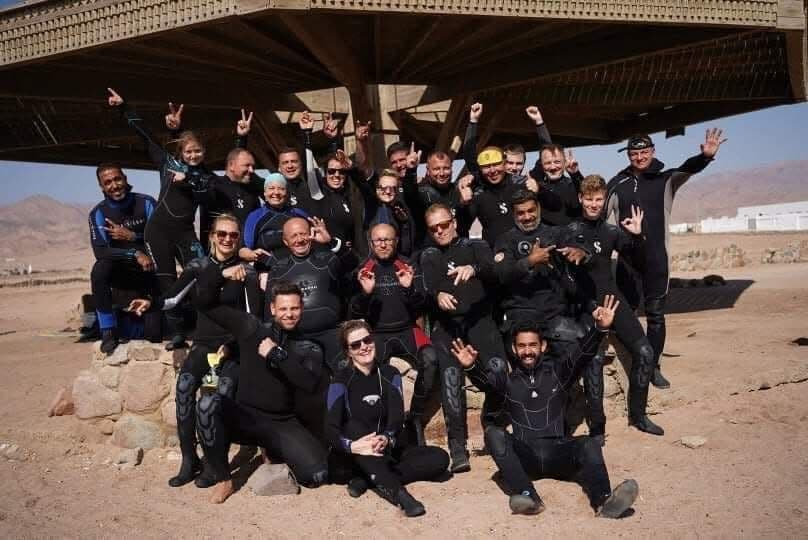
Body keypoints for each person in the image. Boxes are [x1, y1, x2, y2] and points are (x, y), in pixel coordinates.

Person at [452, 297, 639, 518]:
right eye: (521, 346)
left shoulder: (559, 374)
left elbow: (582, 355)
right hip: (526, 457)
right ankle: (529, 497)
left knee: (588, 443)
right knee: (493, 434)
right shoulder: (508, 381)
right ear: (514, 348)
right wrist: (471, 367)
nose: (527, 351)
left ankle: (604, 501)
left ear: (543, 346)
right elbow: (486, 384)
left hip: (560, 453)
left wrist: (599, 329)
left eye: (532, 345)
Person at [128, 214, 263, 487]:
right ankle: (189, 460)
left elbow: (254, 319)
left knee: (218, 397)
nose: (227, 239)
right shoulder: (198, 266)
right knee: (184, 388)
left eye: (233, 235)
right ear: (212, 236)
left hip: (231, 348)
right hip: (203, 344)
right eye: (222, 234)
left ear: (239, 240)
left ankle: (216, 465)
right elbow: (173, 297)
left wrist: (235, 345)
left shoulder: (245, 272)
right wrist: (150, 303)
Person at [606, 129, 726, 389]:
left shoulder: (666, 180)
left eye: (644, 152)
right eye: (634, 153)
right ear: (628, 155)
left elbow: (687, 169)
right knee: (624, 313)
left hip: (656, 260)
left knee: (656, 316)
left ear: (653, 152)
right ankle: (633, 357)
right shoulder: (617, 183)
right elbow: (601, 216)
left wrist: (705, 157)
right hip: (627, 261)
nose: (639, 157)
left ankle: (653, 366)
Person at [193, 277, 329, 504]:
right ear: (273, 309)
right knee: (207, 404)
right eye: (283, 308)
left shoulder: (309, 347)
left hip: (281, 423)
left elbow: (308, 383)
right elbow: (205, 304)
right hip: (246, 418)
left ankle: (272, 450)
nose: (289, 314)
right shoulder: (252, 329)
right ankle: (223, 479)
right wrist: (221, 275)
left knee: (317, 476)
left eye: (295, 308)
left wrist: (277, 355)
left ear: (302, 308)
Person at [107, 88, 210, 350]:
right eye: (188, 152)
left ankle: (204, 328)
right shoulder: (167, 165)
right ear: (181, 152)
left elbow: (205, 188)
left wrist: (189, 178)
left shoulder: (204, 176)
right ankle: (176, 333)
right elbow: (146, 137)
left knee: (202, 275)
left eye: (197, 151)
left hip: (185, 232)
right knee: (166, 281)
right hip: (159, 233)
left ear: (204, 152)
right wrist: (124, 106)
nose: (193, 156)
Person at [568, 175, 663, 437]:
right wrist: (589, 307)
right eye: (589, 199)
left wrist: (638, 237)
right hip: (585, 303)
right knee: (594, 360)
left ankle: (638, 416)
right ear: (580, 199)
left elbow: (638, 260)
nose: (594, 204)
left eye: (599, 199)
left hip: (612, 297)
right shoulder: (571, 230)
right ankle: (597, 427)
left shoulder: (611, 231)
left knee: (645, 352)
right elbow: (577, 262)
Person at [326, 319, 449, 517]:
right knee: (353, 426)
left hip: (385, 451)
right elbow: (331, 428)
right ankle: (400, 495)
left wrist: (386, 438)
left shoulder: (390, 374)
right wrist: (352, 446)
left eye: (367, 340)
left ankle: (369, 479)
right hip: (350, 456)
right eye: (356, 345)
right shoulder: (340, 380)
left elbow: (396, 417)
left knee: (440, 459)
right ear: (348, 351)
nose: (364, 347)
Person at [419, 203, 508, 473]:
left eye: (444, 224)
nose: (440, 231)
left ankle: (492, 423)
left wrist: (475, 269)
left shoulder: (475, 247)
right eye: (433, 228)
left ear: (454, 222)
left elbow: (494, 270)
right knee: (450, 378)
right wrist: (436, 296)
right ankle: (457, 445)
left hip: (480, 322)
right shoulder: (429, 255)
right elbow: (421, 288)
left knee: (499, 371)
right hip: (448, 327)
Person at [349, 223, 439, 445]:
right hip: (377, 333)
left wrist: (409, 288)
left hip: (408, 329)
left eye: (388, 239)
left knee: (431, 360)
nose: (383, 244)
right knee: (365, 373)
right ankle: (384, 425)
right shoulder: (364, 269)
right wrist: (366, 293)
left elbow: (423, 306)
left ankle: (415, 417)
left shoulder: (407, 265)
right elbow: (354, 311)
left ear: (396, 241)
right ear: (371, 243)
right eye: (378, 240)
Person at [461, 103, 560, 247]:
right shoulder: (483, 182)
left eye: (518, 164)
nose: (492, 170)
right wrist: (473, 122)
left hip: (526, 251)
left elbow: (545, 155)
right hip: (496, 254)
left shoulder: (524, 182)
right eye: (510, 163)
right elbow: (470, 157)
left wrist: (539, 123)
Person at [494, 189, 589, 339]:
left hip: (554, 313)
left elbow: (583, 248)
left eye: (531, 210)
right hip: (520, 314)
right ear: (513, 214)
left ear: (538, 208)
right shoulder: (505, 240)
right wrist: (530, 261)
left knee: (583, 350)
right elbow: (502, 274)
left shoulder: (556, 233)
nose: (527, 217)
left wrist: (582, 253)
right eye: (521, 213)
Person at [88, 162, 157, 354]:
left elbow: (161, 238)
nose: (114, 185)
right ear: (102, 187)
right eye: (107, 182)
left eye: (117, 179)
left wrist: (133, 237)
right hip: (120, 272)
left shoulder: (146, 203)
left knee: (153, 334)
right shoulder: (98, 213)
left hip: (148, 271)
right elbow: (100, 251)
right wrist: (134, 253)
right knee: (99, 269)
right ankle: (107, 330)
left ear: (125, 179)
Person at [199, 110, 265, 245]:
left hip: (248, 256)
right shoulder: (215, 185)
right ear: (231, 166)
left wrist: (243, 138)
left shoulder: (252, 188)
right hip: (219, 257)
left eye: (253, 166)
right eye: (247, 166)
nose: (252, 170)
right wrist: (176, 131)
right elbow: (193, 164)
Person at [239, 173, 310, 262]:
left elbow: (315, 239)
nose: (276, 192)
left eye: (281, 189)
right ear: (264, 193)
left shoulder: (299, 214)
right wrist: (253, 255)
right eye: (271, 188)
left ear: (287, 193)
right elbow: (243, 249)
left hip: (300, 267)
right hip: (268, 270)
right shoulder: (255, 216)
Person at [528, 144, 584, 226]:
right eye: (547, 163)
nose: (553, 167)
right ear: (541, 165)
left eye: (557, 162)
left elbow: (588, 194)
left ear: (564, 162)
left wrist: (575, 174)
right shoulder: (535, 188)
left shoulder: (573, 185)